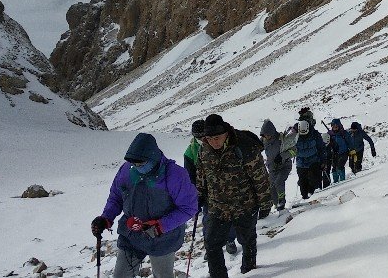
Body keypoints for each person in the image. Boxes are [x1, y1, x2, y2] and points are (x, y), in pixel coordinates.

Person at [91, 133, 198, 278]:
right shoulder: (126, 170)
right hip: (131, 235)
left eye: (141, 164)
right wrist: (106, 218)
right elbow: (116, 197)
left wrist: (160, 226)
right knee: (121, 275)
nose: (136, 167)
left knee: (163, 275)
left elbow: (189, 208)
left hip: (163, 239)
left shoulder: (175, 174)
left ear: (153, 157)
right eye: (134, 164)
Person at [197, 114, 271, 276]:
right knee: (211, 244)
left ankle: (249, 271)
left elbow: (260, 178)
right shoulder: (204, 149)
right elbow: (202, 174)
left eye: (217, 137)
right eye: (210, 138)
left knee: (247, 240)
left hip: (244, 205)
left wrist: (265, 203)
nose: (214, 142)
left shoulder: (244, 147)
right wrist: (199, 194)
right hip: (218, 207)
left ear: (226, 133)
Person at [184, 120, 239, 257]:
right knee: (208, 218)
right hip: (205, 192)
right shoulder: (190, 151)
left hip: (225, 188)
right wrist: (195, 193)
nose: (201, 139)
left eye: (203, 135)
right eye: (198, 137)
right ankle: (210, 245)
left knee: (229, 215)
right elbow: (189, 174)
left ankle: (230, 240)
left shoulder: (219, 143)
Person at [260, 119, 297, 211]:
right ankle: (276, 204)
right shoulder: (263, 141)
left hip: (284, 166)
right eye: (265, 135)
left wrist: (282, 156)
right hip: (272, 168)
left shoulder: (282, 139)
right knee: (271, 188)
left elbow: (294, 151)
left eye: (268, 135)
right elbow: (256, 149)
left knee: (279, 182)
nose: (267, 137)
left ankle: (282, 203)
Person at [293, 120, 326, 199]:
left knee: (314, 181)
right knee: (303, 183)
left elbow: (321, 148)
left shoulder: (315, 134)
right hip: (301, 163)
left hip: (313, 161)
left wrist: (323, 161)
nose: (304, 135)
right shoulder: (294, 135)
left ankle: (312, 195)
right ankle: (305, 198)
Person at [326, 118, 355, 183]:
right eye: (333, 126)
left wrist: (352, 150)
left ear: (339, 125)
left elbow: (350, 142)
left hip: (344, 152)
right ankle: (335, 182)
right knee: (334, 168)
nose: (335, 127)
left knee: (340, 166)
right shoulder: (330, 134)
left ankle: (342, 181)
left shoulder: (344, 133)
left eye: (336, 126)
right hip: (334, 153)